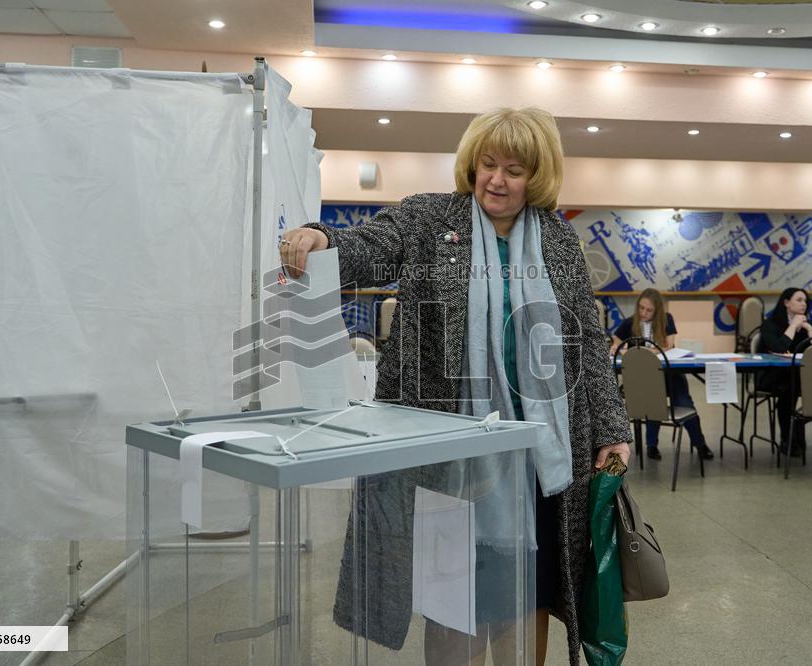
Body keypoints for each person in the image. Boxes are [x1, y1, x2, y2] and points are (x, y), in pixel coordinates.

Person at [280, 107, 632, 666]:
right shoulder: (429, 219)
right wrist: (322, 239)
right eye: (487, 164)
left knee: (531, 595)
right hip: (449, 455)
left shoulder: (559, 238)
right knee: (453, 599)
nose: (496, 179)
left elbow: (587, 338)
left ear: (535, 176)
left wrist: (612, 427)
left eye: (513, 169)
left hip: (540, 457)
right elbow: (370, 245)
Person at [609, 288, 714, 461]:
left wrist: (639, 350)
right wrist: (616, 348)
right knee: (653, 405)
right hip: (646, 377)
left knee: (685, 403)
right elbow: (617, 345)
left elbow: (669, 345)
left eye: (649, 310)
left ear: (657, 310)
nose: (643, 313)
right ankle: (652, 446)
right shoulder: (629, 323)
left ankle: (700, 444)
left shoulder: (667, 320)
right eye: (641, 308)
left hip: (671, 375)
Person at [756, 287, 812, 457]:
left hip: (797, 377)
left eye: (805, 301)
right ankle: (788, 439)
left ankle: (796, 426)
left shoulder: (804, 326)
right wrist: (793, 326)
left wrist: (810, 330)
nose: (804, 304)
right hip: (771, 377)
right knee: (790, 387)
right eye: (799, 300)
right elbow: (778, 348)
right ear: (786, 303)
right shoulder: (770, 324)